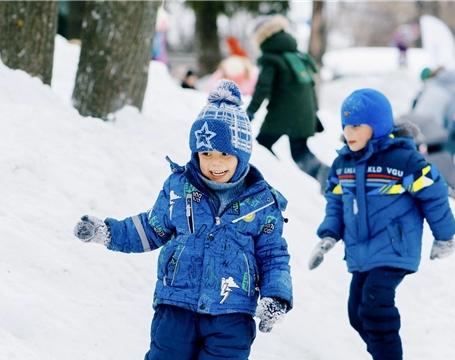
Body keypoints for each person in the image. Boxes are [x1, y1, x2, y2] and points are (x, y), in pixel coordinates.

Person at [73, 79, 293, 359]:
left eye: (225, 154)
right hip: (176, 306)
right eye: (206, 153)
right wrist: (107, 232)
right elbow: (151, 228)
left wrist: (276, 297)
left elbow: (273, 255)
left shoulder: (262, 203)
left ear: (242, 153)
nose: (215, 163)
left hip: (232, 315)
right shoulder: (179, 188)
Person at [308, 89, 455, 360]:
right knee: (357, 314)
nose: (349, 133)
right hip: (362, 251)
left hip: (394, 247)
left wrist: (444, 236)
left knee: (375, 306)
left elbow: (434, 193)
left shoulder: (402, 161)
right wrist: (329, 235)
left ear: (376, 126)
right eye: (345, 126)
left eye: (356, 126)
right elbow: (335, 203)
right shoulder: (343, 165)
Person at [245, 15, 329, 193]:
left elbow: (262, 88)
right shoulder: (297, 56)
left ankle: (276, 178)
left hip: (283, 115)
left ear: (262, 38)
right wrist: (313, 112)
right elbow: (311, 86)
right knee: (299, 151)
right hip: (304, 114)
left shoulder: (271, 59)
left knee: (261, 146)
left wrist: (250, 112)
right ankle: (326, 174)